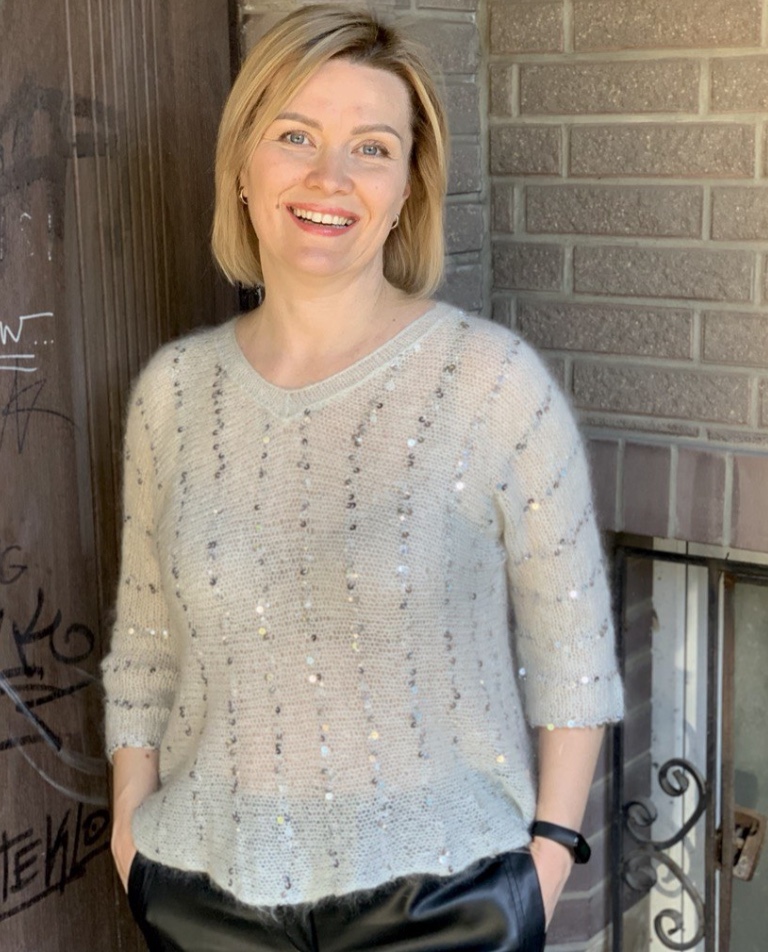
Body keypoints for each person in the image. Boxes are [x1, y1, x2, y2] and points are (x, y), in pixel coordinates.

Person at [101, 5, 623, 951]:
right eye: (295, 135)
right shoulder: (172, 396)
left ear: (406, 188)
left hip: (443, 902)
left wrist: (548, 857)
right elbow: (144, 645)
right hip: (203, 893)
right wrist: (131, 829)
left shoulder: (491, 382)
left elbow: (572, 646)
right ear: (243, 166)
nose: (329, 177)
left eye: (371, 148)